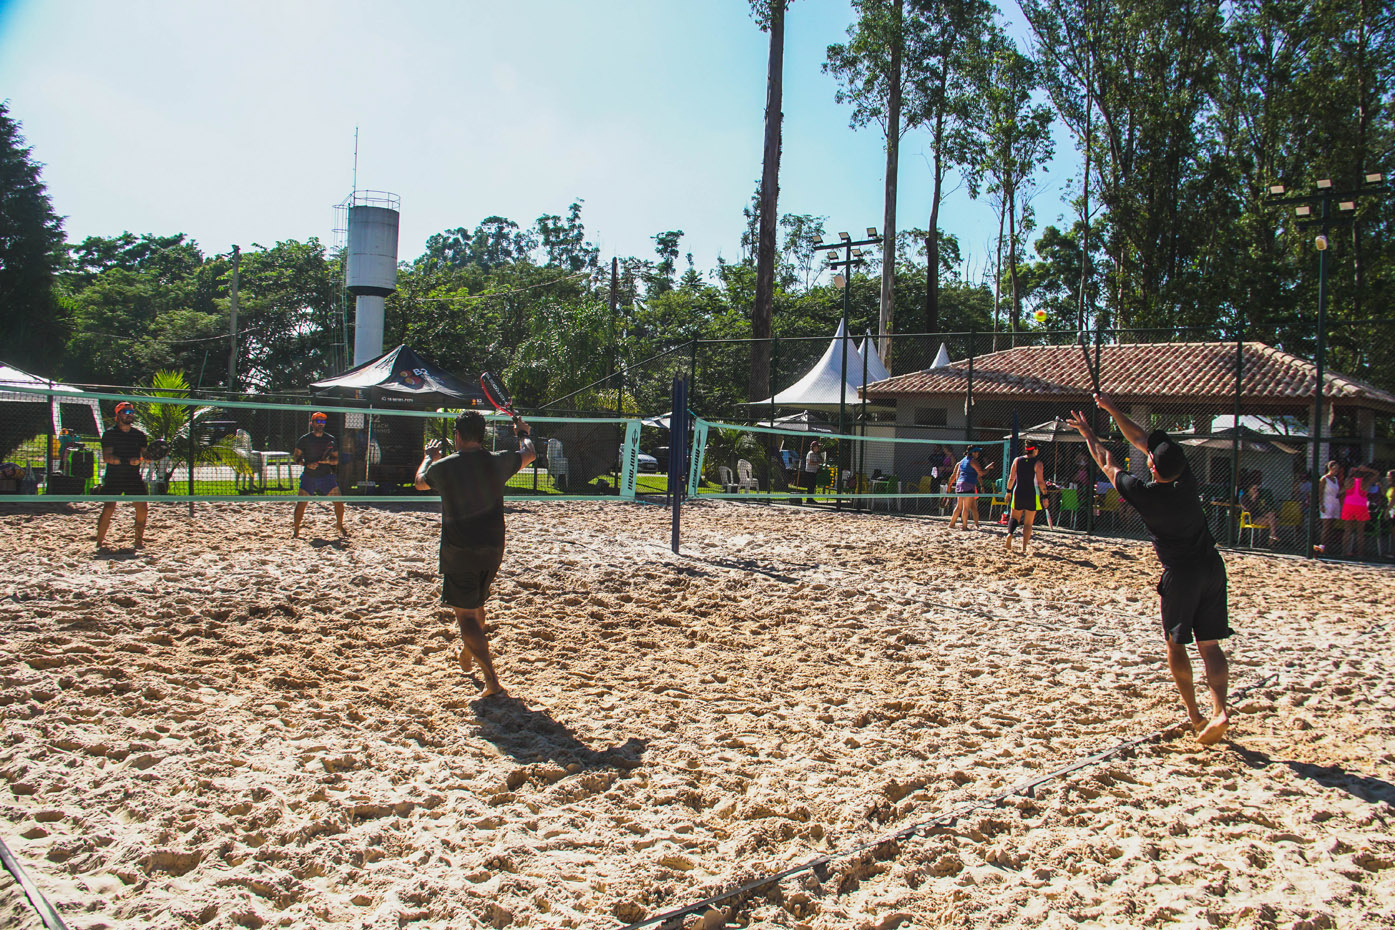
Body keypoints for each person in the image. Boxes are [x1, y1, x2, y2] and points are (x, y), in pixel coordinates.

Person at [1068, 394, 1232, 746]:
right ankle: (1220, 710)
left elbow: (1106, 460)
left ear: (1152, 468)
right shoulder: (1185, 475)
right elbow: (1143, 439)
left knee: (1176, 644)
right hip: (1212, 566)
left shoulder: (1143, 493)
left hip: (1181, 574)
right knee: (1210, 644)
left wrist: (1089, 433)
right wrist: (1113, 409)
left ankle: (1195, 715)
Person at [415, 410, 535, 698]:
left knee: (467, 616)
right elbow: (529, 453)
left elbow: (419, 481)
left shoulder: (444, 466)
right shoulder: (497, 461)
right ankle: (469, 652)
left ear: (457, 435)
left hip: (460, 551)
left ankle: (491, 680)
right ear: (482, 436)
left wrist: (429, 456)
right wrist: (522, 432)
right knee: (477, 605)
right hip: (493, 549)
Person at [96, 401, 148, 550]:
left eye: (131, 412)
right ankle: (99, 542)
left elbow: (146, 455)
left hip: (133, 477)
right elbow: (107, 457)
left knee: (142, 507)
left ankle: (138, 541)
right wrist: (128, 461)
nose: (129, 415)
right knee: (108, 508)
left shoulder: (139, 435)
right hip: (115, 477)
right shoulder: (110, 434)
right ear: (118, 415)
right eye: (126, 412)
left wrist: (146, 458)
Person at [292, 411, 346, 538]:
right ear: (312, 423)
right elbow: (295, 457)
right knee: (301, 504)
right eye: (318, 421)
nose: (321, 424)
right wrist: (306, 464)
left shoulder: (330, 439)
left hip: (325, 476)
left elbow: (336, 460)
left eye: (323, 421)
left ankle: (339, 526)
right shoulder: (304, 439)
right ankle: (296, 531)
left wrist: (327, 461)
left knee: (339, 502)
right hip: (309, 476)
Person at [1004, 443, 1048, 555]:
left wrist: (1008, 491)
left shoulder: (1017, 460)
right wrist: (1045, 496)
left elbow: (1011, 478)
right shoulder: (1038, 463)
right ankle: (1023, 548)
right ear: (1035, 450)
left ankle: (1010, 533)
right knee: (1028, 523)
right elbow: (1041, 482)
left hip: (1018, 492)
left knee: (1014, 518)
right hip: (1032, 493)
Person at [948, 447, 993, 530]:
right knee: (966, 507)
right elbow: (981, 473)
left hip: (960, 484)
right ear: (973, 453)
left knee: (959, 506)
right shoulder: (973, 461)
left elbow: (956, 475)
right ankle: (964, 526)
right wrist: (988, 468)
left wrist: (950, 485)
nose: (978, 454)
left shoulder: (962, 461)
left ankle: (952, 524)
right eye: (977, 452)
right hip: (968, 484)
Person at [1340, 463, 1378, 557]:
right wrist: (1367, 469)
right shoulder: (1366, 482)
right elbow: (1377, 473)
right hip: (1361, 506)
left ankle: (1344, 552)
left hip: (1349, 505)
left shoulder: (1348, 480)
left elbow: (1346, 482)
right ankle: (1360, 553)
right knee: (1360, 531)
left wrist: (1351, 472)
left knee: (1347, 530)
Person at [1240, 474, 1279, 547]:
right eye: (1253, 489)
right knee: (1273, 521)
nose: (1255, 491)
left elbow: (1260, 508)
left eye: (1256, 489)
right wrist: (1253, 499)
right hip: (1251, 517)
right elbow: (1248, 508)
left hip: (1259, 515)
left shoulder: (1258, 497)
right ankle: (1271, 538)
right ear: (1249, 489)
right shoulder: (1244, 497)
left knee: (1271, 515)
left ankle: (1272, 535)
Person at [1315, 460, 1344, 554]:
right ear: (1330, 468)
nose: (1337, 470)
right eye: (1335, 468)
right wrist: (1321, 504)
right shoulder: (1324, 479)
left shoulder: (1335, 479)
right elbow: (1320, 493)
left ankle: (1328, 547)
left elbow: (1337, 492)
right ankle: (1322, 546)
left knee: (1331, 526)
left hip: (1335, 503)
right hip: (1327, 503)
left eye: (1338, 469)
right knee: (1326, 526)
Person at [802, 439, 825, 505]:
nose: (818, 448)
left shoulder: (816, 454)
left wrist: (821, 458)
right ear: (814, 447)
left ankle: (811, 498)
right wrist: (817, 462)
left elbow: (820, 460)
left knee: (813, 486)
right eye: (817, 447)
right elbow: (810, 462)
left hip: (814, 472)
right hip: (809, 472)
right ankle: (808, 499)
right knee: (810, 486)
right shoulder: (811, 453)